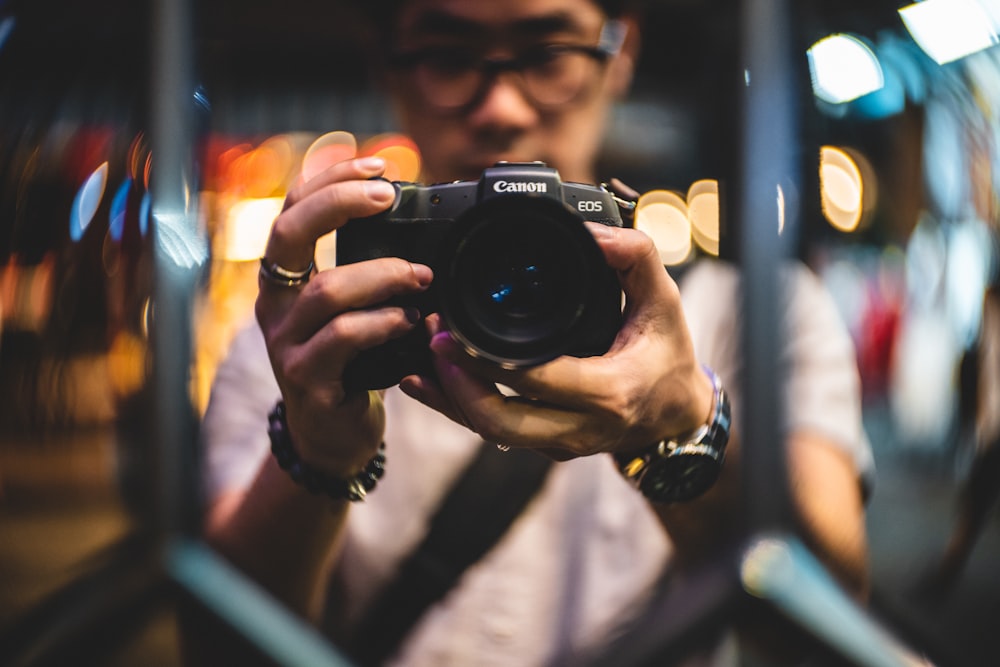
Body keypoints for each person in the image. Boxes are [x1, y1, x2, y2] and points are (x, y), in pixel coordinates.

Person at [187, 0, 874, 664]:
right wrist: (317, 454)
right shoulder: (315, 348)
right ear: (387, 65)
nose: (502, 108)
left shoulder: (761, 313)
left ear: (620, 51)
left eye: (548, 54)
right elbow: (221, 646)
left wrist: (680, 428)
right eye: (450, 57)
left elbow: (826, 630)